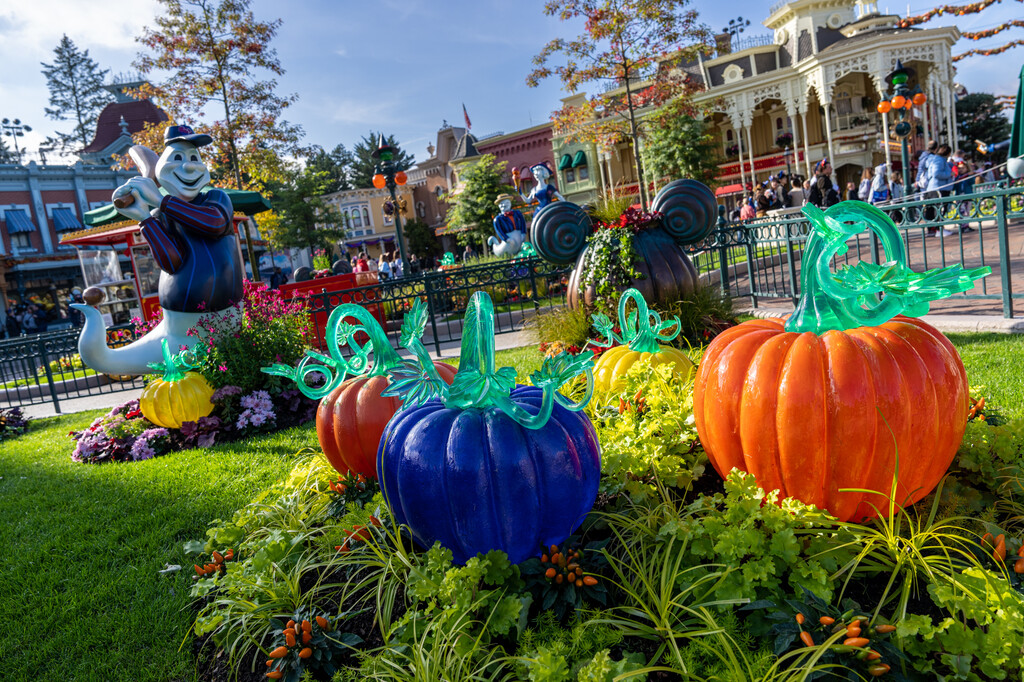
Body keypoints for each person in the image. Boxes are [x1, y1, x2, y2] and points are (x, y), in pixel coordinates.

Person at [924, 144, 954, 235]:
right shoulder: (938, 159)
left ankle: (933, 229)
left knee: (933, 209)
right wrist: (950, 174)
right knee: (940, 209)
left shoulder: (937, 159)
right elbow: (936, 173)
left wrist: (950, 164)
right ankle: (938, 229)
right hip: (939, 188)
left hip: (934, 188)